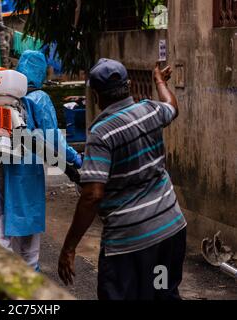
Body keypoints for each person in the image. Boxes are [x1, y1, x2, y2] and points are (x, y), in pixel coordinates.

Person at [58, 58, 187, 300]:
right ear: (128, 85)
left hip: (130, 243)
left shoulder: (101, 133)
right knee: (162, 293)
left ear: (96, 95)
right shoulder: (150, 110)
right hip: (169, 230)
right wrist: (159, 81)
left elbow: (92, 195)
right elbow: (172, 105)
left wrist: (69, 247)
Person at [0, 50, 83, 271]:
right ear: (40, 71)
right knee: (27, 228)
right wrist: (76, 160)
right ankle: (27, 277)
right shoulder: (39, 98)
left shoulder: (1, 96)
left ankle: (2, 270)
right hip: (24, 168)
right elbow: (54, 141)